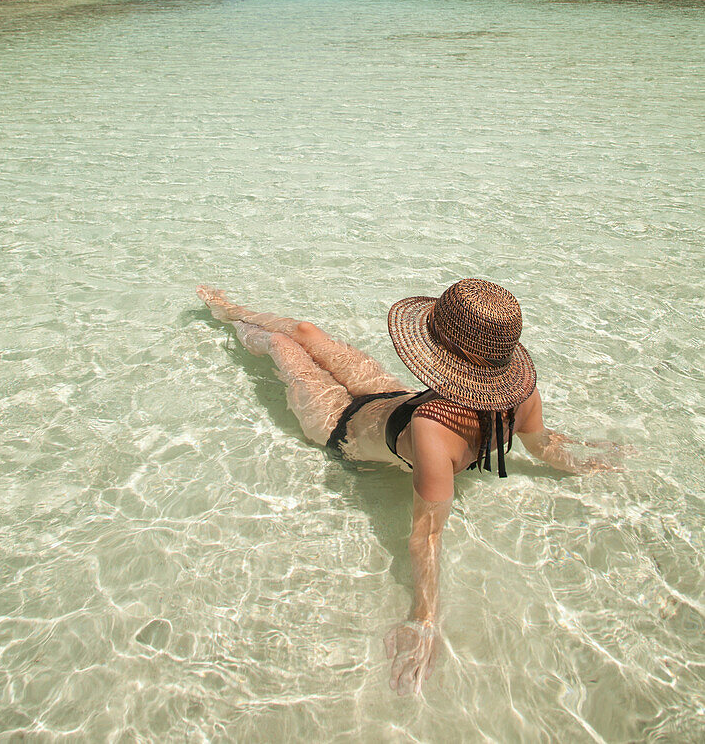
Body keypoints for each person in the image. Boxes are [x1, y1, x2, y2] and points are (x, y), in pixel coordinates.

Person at [197, 277, 619, 696]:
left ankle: (229, 322)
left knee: (284, 346)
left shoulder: (433, 429)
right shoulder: (522, 396)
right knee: (306, 332)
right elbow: (542, 446)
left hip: (337, 425)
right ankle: (228, 309)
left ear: (444, 353)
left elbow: (427, 534)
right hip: (392, 397)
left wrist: (424, 619)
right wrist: (588, 460)